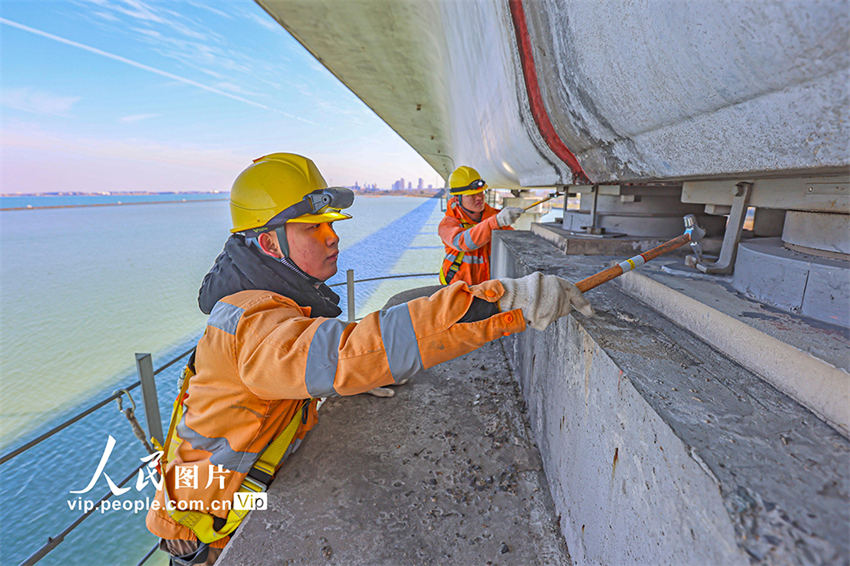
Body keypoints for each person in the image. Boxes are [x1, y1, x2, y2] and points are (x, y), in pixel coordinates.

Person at [145, 153, 591, 565]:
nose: (332, 237)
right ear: (269, 243)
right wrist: (503, 302)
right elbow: (350, 352)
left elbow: (319, 361)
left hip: (220, 507)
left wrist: (351, 378)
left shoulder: (268, 303)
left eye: (330, 225)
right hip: (209, 532)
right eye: (312, 229)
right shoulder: (252, 323)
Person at [438, 166, 524, 285]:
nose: (479, 198)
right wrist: (496, 222)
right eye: (471, 195)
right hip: (458, 288)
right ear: (457, 199)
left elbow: (515, 244)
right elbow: (463, 242)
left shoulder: (495, 217)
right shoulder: (448, 224)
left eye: (480, 192)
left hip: (488, 289)